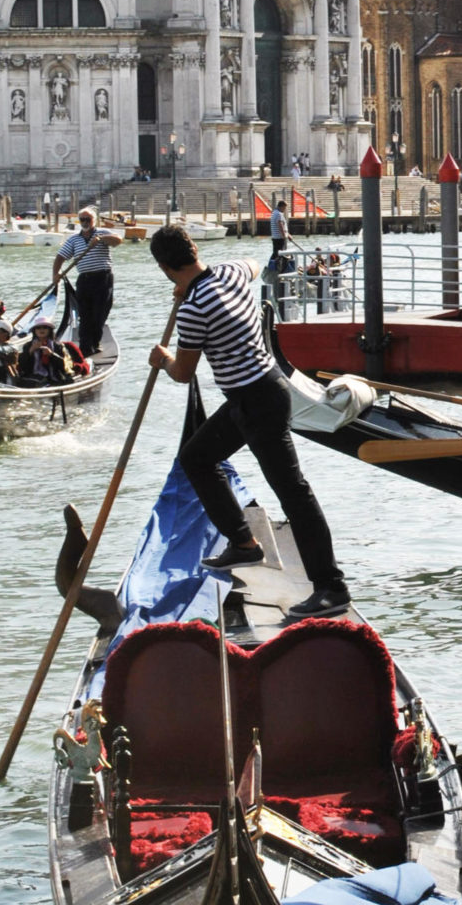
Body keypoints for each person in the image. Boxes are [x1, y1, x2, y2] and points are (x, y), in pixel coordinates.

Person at [146, 223, 347, 618]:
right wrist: (189, 288)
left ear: (165, 268)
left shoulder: (192, 311)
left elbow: (182, 373)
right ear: (193, 251)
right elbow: (255, 264)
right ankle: (244, 544)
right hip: (255, 394)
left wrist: (162, 359)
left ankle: (331, 588)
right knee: (197, 458)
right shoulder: (229, 272)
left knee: (294, 492)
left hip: (259, 401)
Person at [53, 206, 123, 356]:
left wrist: (101, 240)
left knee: (100, 313)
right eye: (82, 219)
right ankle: (85, 348)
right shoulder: (74, 239)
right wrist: (56, 274)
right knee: (84, 314)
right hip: (84, 280)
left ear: (94, 220)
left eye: (88, 219)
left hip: (103, 279)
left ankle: (95, 342)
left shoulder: (102, 233)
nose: (85, 222)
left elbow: (118, 240)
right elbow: (60, 257)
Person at [17, 317, 77, 385]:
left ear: (49, 330)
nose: (41, 330)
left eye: (45, 327)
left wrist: (51, 354)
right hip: (34, 377)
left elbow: (66, 366)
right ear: (35, 331)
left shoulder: (58, 346)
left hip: (54, 377)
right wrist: (30, 351)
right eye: (38, 328)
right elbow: (22, 367)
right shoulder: (28, 346)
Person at [269, 197, 288, 268]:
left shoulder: (274, 213)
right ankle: (278, 267)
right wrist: (284, 236)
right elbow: (280, 225)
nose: (285, 209)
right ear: (282, 206)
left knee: (275, 253)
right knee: (280, 254)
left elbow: (282, 226)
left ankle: (272, 266)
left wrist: (287, 234)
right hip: (279, 238)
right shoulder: (279, 214)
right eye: (284, 208)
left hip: (275, 237)